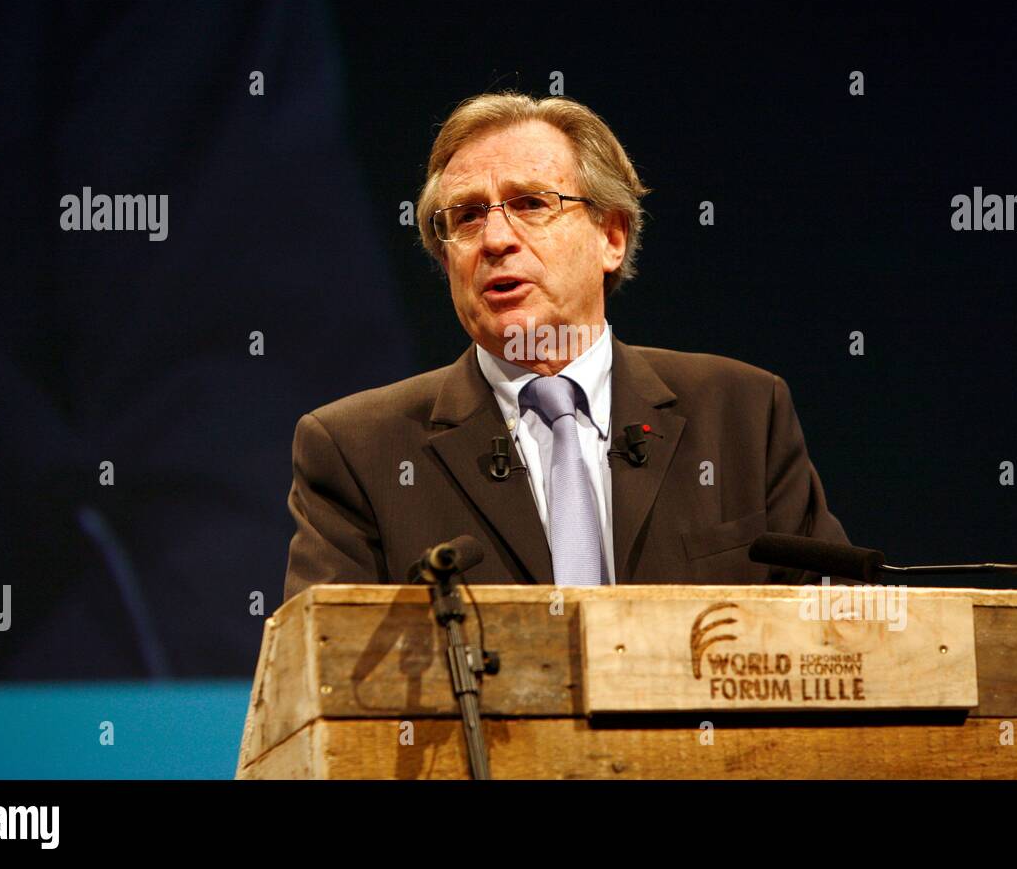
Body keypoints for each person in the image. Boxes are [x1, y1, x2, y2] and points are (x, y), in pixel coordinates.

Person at [283, 92, 847, 599]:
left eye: (531, 203)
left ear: (612, 236)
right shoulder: (356, 450)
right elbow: (324, 670)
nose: (497, 239)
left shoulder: (743, 412)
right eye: (467, 216)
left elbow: (843, 635)